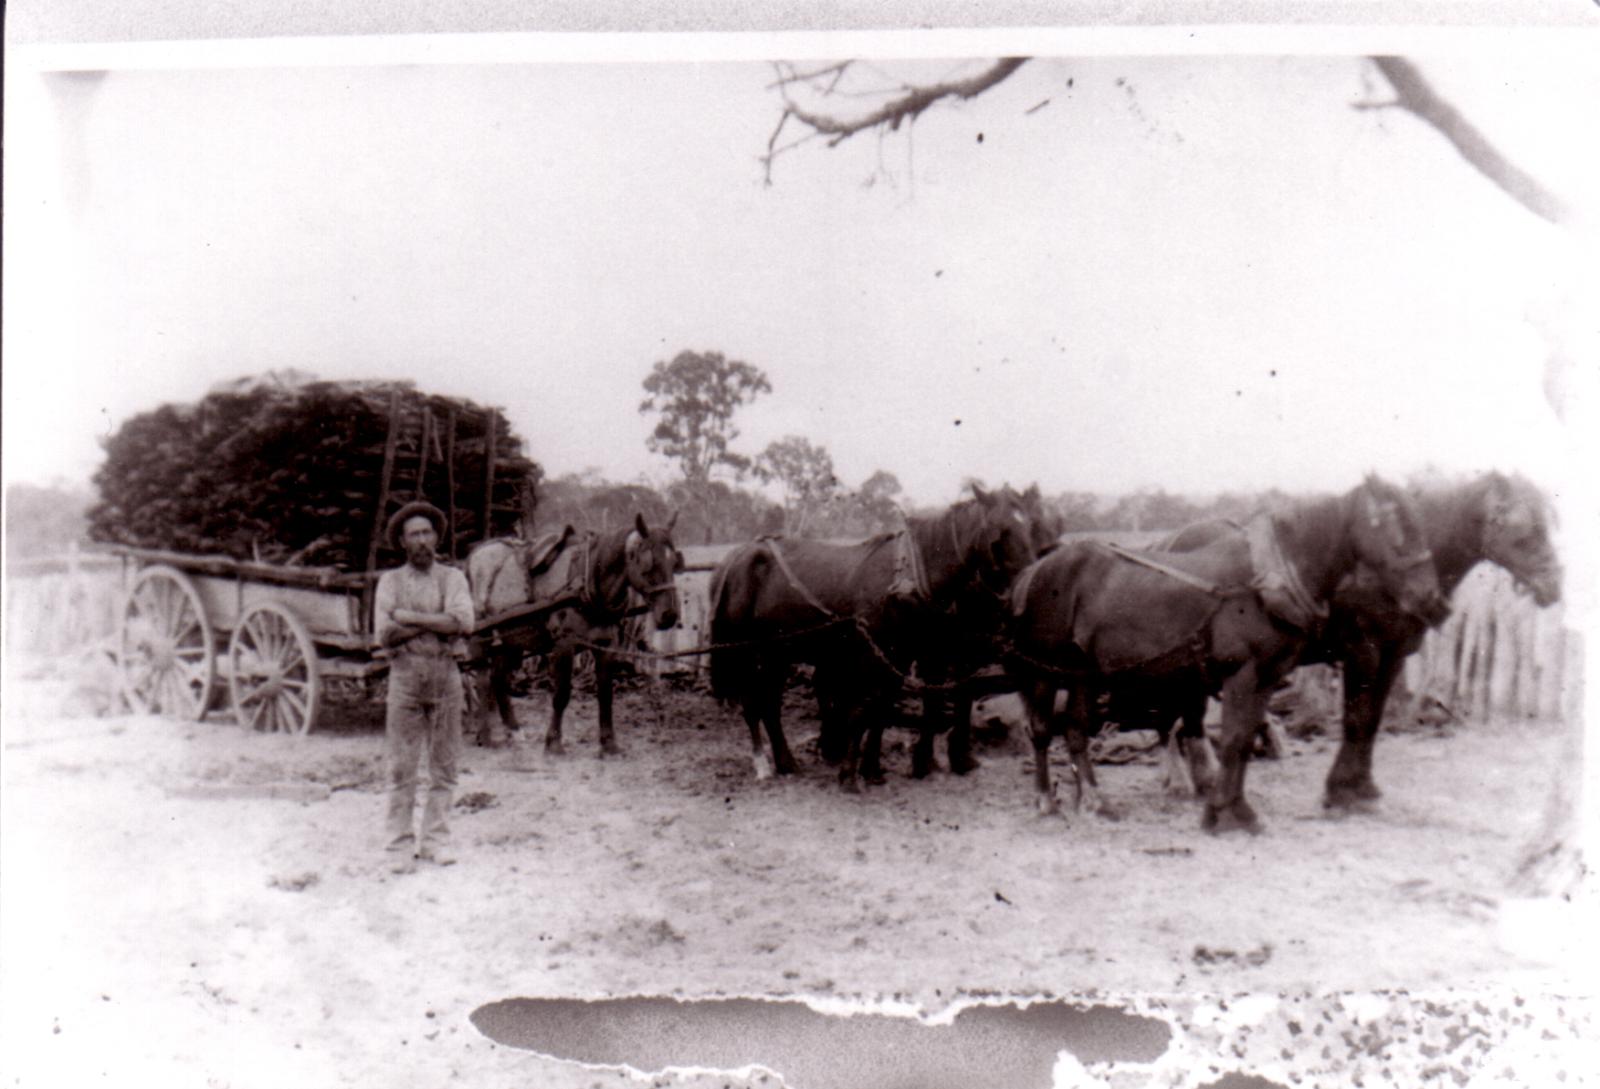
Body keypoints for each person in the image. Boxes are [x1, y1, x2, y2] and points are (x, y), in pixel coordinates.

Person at [374, 501, 474, 875]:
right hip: (405, 678)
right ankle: (399, 846)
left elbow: (464, 622)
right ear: (402, 542)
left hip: (446, 677)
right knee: (402, 767)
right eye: (414, 534)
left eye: (427, 533)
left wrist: (410, 618)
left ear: (436, 538)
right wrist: (437, 624)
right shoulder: (391, 582)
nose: (421, 541)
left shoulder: (453, 578)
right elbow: (385, 633)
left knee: (445, 766)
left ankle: (435, 841)